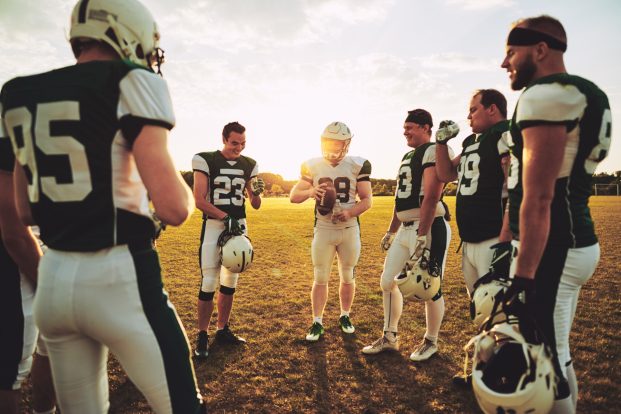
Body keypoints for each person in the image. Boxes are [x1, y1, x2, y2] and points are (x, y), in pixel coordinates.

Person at [1, 0, 206, 412]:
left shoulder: (18, 92)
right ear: (126, 31)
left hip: (55, 283)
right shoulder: (130, 80)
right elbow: (174, 208)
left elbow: (25, 212)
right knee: (183, 406)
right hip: (118, 274)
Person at [500, 15, 610, 413]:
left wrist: (524, 274)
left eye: (511, 51)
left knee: (546, 358)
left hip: (554, 245)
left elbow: (540, 195)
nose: (504, 62)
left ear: (540, 49)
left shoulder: (545, 93)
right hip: (572, 239)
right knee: (555, 348)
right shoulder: (587, 92)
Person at [362, 109, 452, 361]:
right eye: (404, 127)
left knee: (430, 286)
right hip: (405, 227)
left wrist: (423, 233)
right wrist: (391, 230)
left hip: (430, 226)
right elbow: (401, 199)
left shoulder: (434, 150)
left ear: (426, 128)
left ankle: (430, 341)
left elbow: (433, 194)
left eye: (410, 127)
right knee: (387, 281)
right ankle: (390, 337)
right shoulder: (407, 156)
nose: (405, 132)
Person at [290, 121, 372, 341]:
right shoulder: (312, 165)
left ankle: (345, 315)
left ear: (346, 144)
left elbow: (367, 200)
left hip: (348, 228)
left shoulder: (357, 164)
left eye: (338, 143)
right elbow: (293, 196)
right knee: (320, 277)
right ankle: (317, 322)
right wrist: (310, 191)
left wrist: (349, 213)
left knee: (347, 275)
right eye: (329, 142)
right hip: (324, 229)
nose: (333, 147)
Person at [192, 121, 263, 357]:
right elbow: (200, 200)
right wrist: (225, 216)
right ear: (224, 139)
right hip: (214, 225)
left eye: (243, 143)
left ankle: (222, 329)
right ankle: (202, 335)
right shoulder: (205, 159)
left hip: (239, 225)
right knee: (209, 281)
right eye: (234, 143)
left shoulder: (250, 164)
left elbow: (255, 204)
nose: (239, 148)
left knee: (230, 281)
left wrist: (257, 194)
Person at [435, 89, 511, 295]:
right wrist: (441, 143)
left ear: (492, 109)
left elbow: (518, 187)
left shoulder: (505, 134)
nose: (468, 116)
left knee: (496, 310)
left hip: (494, 238)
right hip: (469, 239)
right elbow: (446, 173)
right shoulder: (472, 142)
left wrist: (506, 240)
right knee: (479, 309)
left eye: (473, 110)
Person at [0, 136, 56, 414]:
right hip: (18, 255)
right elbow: (12, 230)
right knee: (11, 370)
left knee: (54, 349)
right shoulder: (10, 117)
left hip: (58, 243)